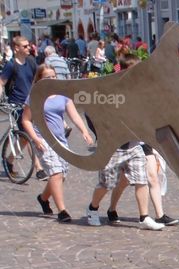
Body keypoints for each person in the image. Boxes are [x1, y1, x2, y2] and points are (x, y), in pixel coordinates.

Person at [84, 54, 165, 231]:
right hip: (113, 146)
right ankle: (93, 208)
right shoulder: (111, 90)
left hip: (134, 144)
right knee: (107, 184)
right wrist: (100, 132)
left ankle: (144, 217)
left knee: (141, 180)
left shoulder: (140, 91)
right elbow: (90, 111)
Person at [21, 64, 94, 222]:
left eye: (54, 76)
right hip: (43, 140)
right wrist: (35, 139)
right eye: (48, 77)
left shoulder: (62, 94)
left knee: (61, 176)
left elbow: (74, 115)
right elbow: (26, 120)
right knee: (56, 173)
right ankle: (62, 211)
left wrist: (84, 131)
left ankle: (43, 198)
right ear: (40, 80)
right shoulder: (35, 96)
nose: (52, 80)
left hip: (60, 141)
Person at [1, 36, 41, 177]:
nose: (28, 48)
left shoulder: (31, 62)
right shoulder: (11, 65)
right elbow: (1, 83)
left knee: (24, 138)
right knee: (29, 134)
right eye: (24, 46)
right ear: (16, 48)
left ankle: (9, 160)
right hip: (17, 105)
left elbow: (38, 78)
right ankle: (39, 169)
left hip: (31, 103)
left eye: (28, 45)